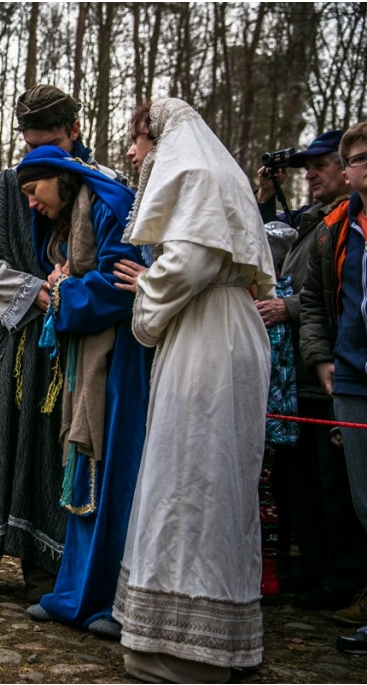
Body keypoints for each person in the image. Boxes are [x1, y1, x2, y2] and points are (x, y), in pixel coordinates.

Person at [0, 84, 120, 598]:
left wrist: (71, 295)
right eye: (31, 146)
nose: (39, 157)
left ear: (74, 132)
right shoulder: (4, 187)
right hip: (6, 339)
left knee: (50, 448)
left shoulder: (102, 188)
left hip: (73, 347)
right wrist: (34, 291)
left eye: (51, 142)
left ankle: (46, 565)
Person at [110, 99, 274, 682]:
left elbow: (191, 262)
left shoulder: (200, 176)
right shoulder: (220, 175)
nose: (132, 154)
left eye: (137, 140)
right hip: (220, 332)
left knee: (193, 479)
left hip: (209, 338)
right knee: (204, 477)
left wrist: (146, 288)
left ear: (160, 137)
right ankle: (203, 639)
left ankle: (183, 650)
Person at [15, 146, 150, 639]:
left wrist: (66, 288)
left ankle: (111, 599)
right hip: (87, 363)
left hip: (119, 362)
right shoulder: (74, 218)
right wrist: (63, 277)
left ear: (62, 177)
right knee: (84, 474)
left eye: (35, 191)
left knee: (113, 475)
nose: (31, 203)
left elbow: (118, 284)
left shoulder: (109, 206)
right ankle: (73, 592)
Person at [255, 130, 366, 612]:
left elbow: (325, 295)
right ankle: (313, 567)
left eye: (320, 165)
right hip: (303, 375)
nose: (312, 175)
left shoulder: (341, 225)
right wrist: (263, 198)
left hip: (334, 375)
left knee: (336, 485)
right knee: (298, 481)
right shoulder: (311, 224)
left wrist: (290, 308)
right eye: (307, 169)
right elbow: (267, 254)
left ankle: (342, 578)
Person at [300, 122, 367, 650]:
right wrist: (323, 358)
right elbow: (319, 297)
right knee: (352, 493)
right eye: (359, 158)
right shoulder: (330, 229)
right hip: (343, 378)